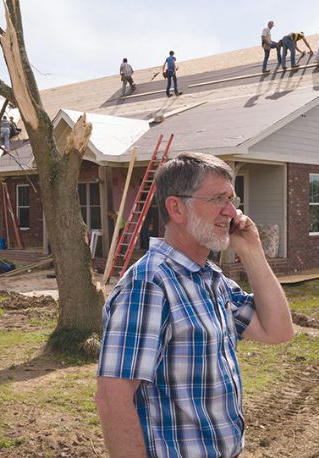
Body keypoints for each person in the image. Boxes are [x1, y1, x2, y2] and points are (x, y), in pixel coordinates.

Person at [96, 152, 294, 457]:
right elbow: (113, 399)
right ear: (176, 208)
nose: (231, 211)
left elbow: (278, 330)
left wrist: (253, 252)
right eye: (218, 199)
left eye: (232, 199)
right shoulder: (150, 285)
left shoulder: (210, 280)